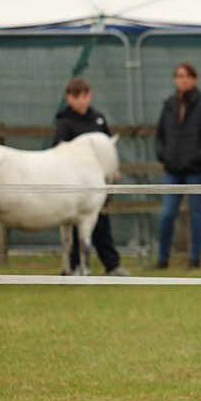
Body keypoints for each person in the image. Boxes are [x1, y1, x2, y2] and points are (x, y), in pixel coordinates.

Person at [51, 77, 130, 276]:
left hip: (99, 187)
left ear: (90, 96)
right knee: (77, 227)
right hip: (76, 190)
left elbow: (108, 148)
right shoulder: (64, 123)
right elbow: (58, 154)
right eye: (76, 97)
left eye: (84, 96)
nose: (80, 101)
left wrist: (112, 170)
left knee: (102, 226)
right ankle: (75, 265)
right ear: (68, 98)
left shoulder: (98, 119)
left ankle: (112, 265)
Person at [154, 62, 201, 270]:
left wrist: (198, 158)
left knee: (196, 214)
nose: (183, 80)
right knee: (167, 214)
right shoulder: (168, 104)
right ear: (175, 79)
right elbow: (160, 134)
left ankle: (195, 258)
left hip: (196, 172)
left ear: (194, 79)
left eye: (187, 76)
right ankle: (163, 259)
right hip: (172, 171)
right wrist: (163, 155)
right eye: (180, 76)